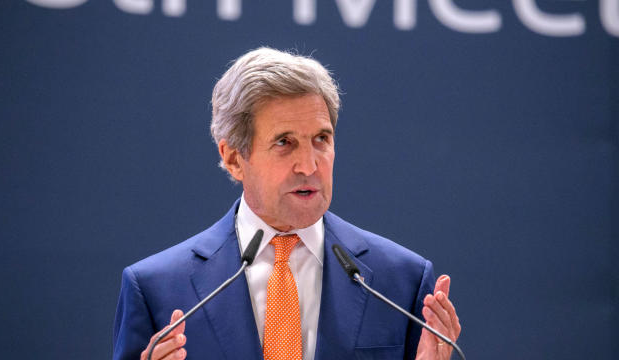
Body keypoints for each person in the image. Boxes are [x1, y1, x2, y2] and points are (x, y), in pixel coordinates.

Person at [113, 47, 461, 360]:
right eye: (285, 142)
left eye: (321, 139)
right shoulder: (158, 290)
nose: (309, 166)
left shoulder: (401, 282)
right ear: (234, 158)